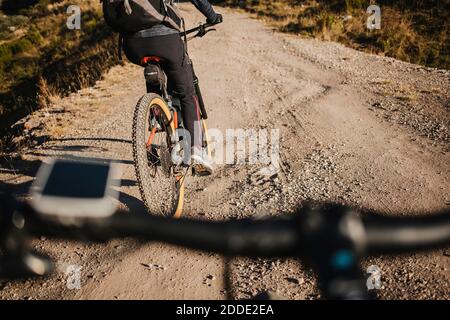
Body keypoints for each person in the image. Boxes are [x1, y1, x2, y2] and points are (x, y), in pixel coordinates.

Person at [122, 0, 223, 175]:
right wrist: (212, 16)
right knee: (187, 93)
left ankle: (156, 116)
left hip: (132, 46)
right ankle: (197, 152)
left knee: (154, 72)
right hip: (165, 40)